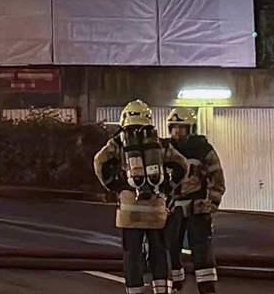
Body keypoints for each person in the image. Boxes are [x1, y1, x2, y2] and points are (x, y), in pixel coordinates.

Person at [94, 100, 189, 294]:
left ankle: (135, 290)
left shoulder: (118, 142)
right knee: (159, 250)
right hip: (156, 208)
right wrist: (169, 187)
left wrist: (115, 186)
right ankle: (161, 289)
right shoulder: (159, 143)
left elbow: (99, 161)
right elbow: (182, 165)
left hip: (130, 211)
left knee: (133, 253)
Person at [164, 108, 224, 293]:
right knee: (171, 247)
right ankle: (175, 283)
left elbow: (217, 177)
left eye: (181, 129)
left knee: (201, 249)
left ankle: (207, 287)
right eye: (174, 128)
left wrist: (212, 203)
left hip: (197, 207)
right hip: (173, 207)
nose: (177, 133)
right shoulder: (165, 150)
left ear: (191, 129)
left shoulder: (203, 149)